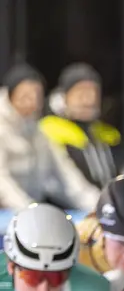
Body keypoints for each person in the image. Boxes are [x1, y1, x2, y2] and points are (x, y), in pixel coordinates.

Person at [0, 63, 100, 210]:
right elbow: (2, 181)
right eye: (25, 95)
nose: (31, 102)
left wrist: (99, 205)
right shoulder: (2, 130)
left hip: (33, 213)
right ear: (10, 96)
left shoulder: (40, 133)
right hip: (10, 214)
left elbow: (68, 178)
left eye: (37, 95)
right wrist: (28, 209)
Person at [40, 63, 124, 189]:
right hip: (70, 206)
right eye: (80, 92)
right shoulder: (50, 129)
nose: (88, 100)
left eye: (93, 92)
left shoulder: (109, 134)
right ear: (64, 98)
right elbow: (64, 181)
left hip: (108, 203)